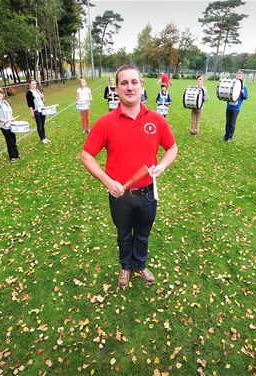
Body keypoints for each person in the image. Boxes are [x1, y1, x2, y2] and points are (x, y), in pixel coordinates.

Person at [81, 64, 178, 289]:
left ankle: (139, 265)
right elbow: (86, 155)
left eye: (134, 82)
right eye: (124, 83)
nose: (130, 87)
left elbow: (172, 147)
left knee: (143, 234)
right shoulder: (106, 122)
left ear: (142, 86)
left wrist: (162, 165)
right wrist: (108, 181)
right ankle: (126, 266)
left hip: (147, 194)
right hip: (120, 195)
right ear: (116, 89)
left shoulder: (156, 119)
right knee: (124, 234)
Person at [0, 88, 19, 162]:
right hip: (4, 126)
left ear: (3, 94)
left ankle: (16, 154)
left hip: (11, 124)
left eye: (0, 93)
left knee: (14, 139)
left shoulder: (5, 102)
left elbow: (9, 112)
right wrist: (3, 120)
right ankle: (12, 157)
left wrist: (12, 118)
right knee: (9, 141)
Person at [223, 70, 249, 142]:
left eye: (240, 75)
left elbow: (246, 97)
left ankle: (230, 137)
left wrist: (243, 93)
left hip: (236, 108)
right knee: (228, 122)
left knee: (232, 123)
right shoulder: (232, 84)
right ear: (236, 76)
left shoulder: (244, 86)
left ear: (242, 76)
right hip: (229, 106)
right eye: (238, 75)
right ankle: (226, 135)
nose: (239, 77)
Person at [26, 79, 49, 144]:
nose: (34, 85)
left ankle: (44, 137)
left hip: (42, 110)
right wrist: (32, 113)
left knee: (43, 125)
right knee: (39, 125)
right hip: (36, 111)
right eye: (32, 84)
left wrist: (43, 97)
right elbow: (29, 105)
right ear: (30, 84)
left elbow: (43, 101)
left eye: (35, 84)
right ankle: (42, 139)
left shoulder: (37, 91)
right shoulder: (29, 93)